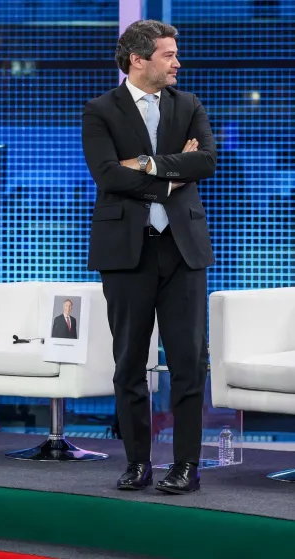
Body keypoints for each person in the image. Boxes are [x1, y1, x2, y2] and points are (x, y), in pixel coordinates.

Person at [82, 20, 215, 494]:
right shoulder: (100, 110)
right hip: (126, 251)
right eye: (168, 55)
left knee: (188, 364)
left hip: (183, 251)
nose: (177, 63)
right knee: (129, 364)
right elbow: (107, 176)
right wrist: (172, 178)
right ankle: (138, 462)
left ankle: (186, 466)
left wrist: (146, 164)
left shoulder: (189, 104)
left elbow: (206, 161)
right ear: (138, 60)